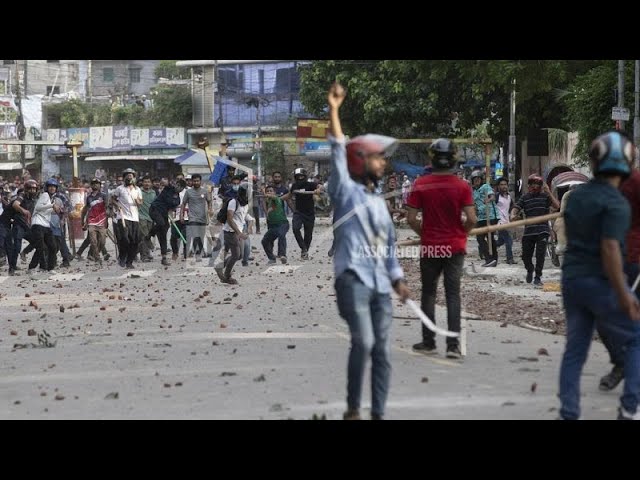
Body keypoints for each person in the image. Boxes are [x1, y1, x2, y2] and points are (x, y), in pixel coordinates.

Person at [327, 82, 410, 420]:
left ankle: (377, 412)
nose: (383, 163)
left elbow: (387, 248)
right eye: (377, 157)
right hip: (353, 279)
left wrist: (398, 278)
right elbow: (336, 148)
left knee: (383, 352)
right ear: (360, 160)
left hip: (379, 286)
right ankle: (352, 408)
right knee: (363, 342)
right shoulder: (344, 191)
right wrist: (334, 109)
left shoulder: (379, 203)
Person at [558, 130, 640, 420]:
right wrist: (623, 293)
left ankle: (568, 412)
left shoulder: (576, 197)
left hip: (572, 280)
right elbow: (609, 249)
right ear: (628, 163)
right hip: (602, 282)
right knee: (634, 340)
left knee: (575, 349)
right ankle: (629, 408)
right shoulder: (617, 203)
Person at [407, 139, 476, 359]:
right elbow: (472, 219)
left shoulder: (421, 184)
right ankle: (453, 346)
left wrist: (424, 234)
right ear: (454, 157)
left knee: (428, 293)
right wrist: (461, 234)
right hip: (454, 247)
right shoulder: (462, 185)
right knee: (452, 294)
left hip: (431, 248)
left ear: (432, 158)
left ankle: (428, 342)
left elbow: (411, 218)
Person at [510, 174, 559, 286]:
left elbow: (556, 206)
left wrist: (549, 192)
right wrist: (513, 215)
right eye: (533, 184)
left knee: (540, 254)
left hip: (542, 230)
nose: (535, 187)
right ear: (529, 185)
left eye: (538, 184)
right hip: (529, 231)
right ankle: (530, 269)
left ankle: (538, 277)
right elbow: (516, 208)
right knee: (526, 255)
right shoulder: (525, 197)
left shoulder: (545, 197)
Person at [471, 170, 498, 267]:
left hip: (490, 216)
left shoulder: (486, 187)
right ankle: (490, 259)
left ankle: (492, 259)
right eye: (475, 179)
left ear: (481, 179)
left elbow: (493, 197)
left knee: (490, 237)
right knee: (480, 238)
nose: (477, 181)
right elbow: (474, 205)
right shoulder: (474, 191)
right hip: (481, 217)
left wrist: (488, 199)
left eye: (478, 179)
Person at [495, 177, 516, 264]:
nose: (504, 186)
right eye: (501, 185)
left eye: (505, 184)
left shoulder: (509, 197)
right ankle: (509, 259)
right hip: (499, 222)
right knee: (508, 240)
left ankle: (487, 246)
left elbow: (512, 207)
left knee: (501, 241)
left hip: (507, 221)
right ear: (498, 186)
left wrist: (513, 214)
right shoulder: (496, 197)